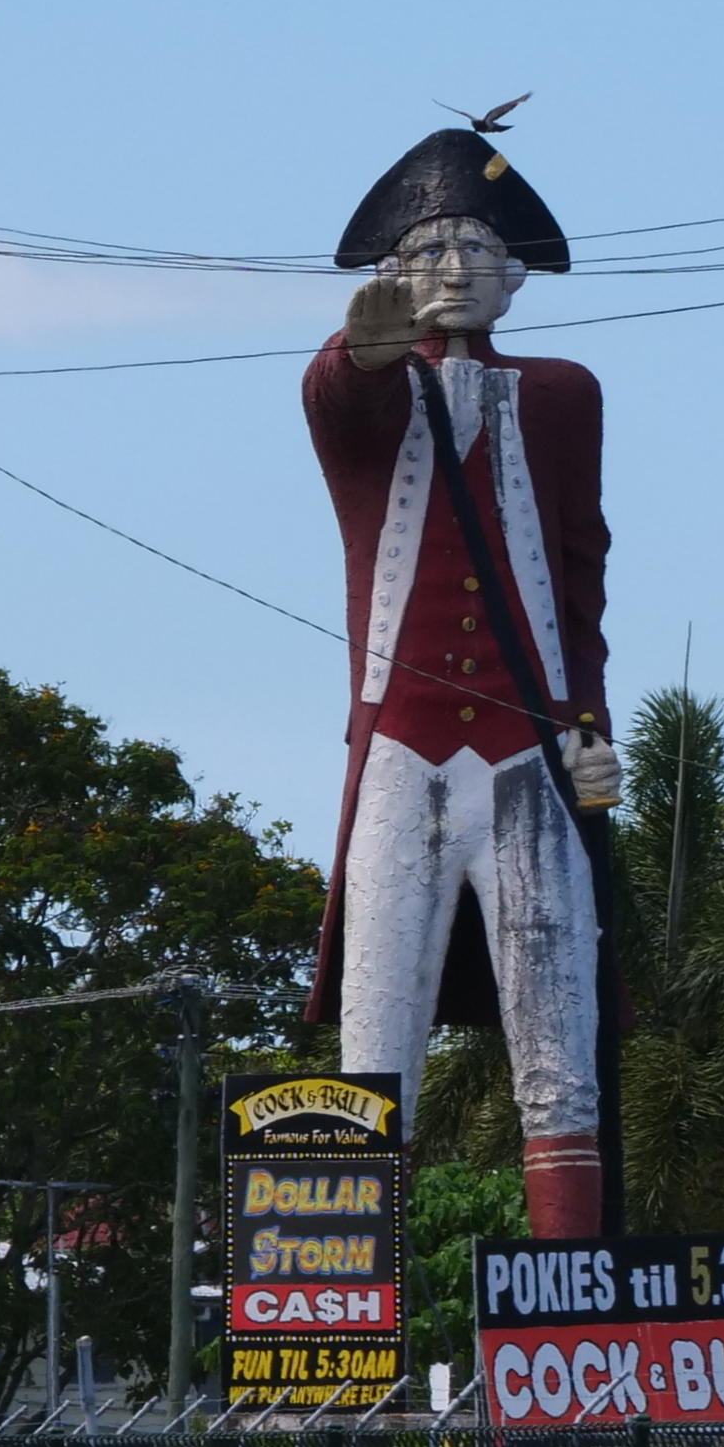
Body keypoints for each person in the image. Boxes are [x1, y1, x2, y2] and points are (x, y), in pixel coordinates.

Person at [301, 124, 621, 1239]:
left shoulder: (563, 395)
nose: (451, 268)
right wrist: (361, 348)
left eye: (474, 248)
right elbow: (342, 402)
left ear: (512, 271)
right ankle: (341, 1363)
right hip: (401, 754)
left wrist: (589, 726)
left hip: (531, 756)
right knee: (370, 1058)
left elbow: (578, 578)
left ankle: (565, 1339)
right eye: (429, 248)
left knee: (558, 1052)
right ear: (393, 269)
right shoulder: (368, 391)